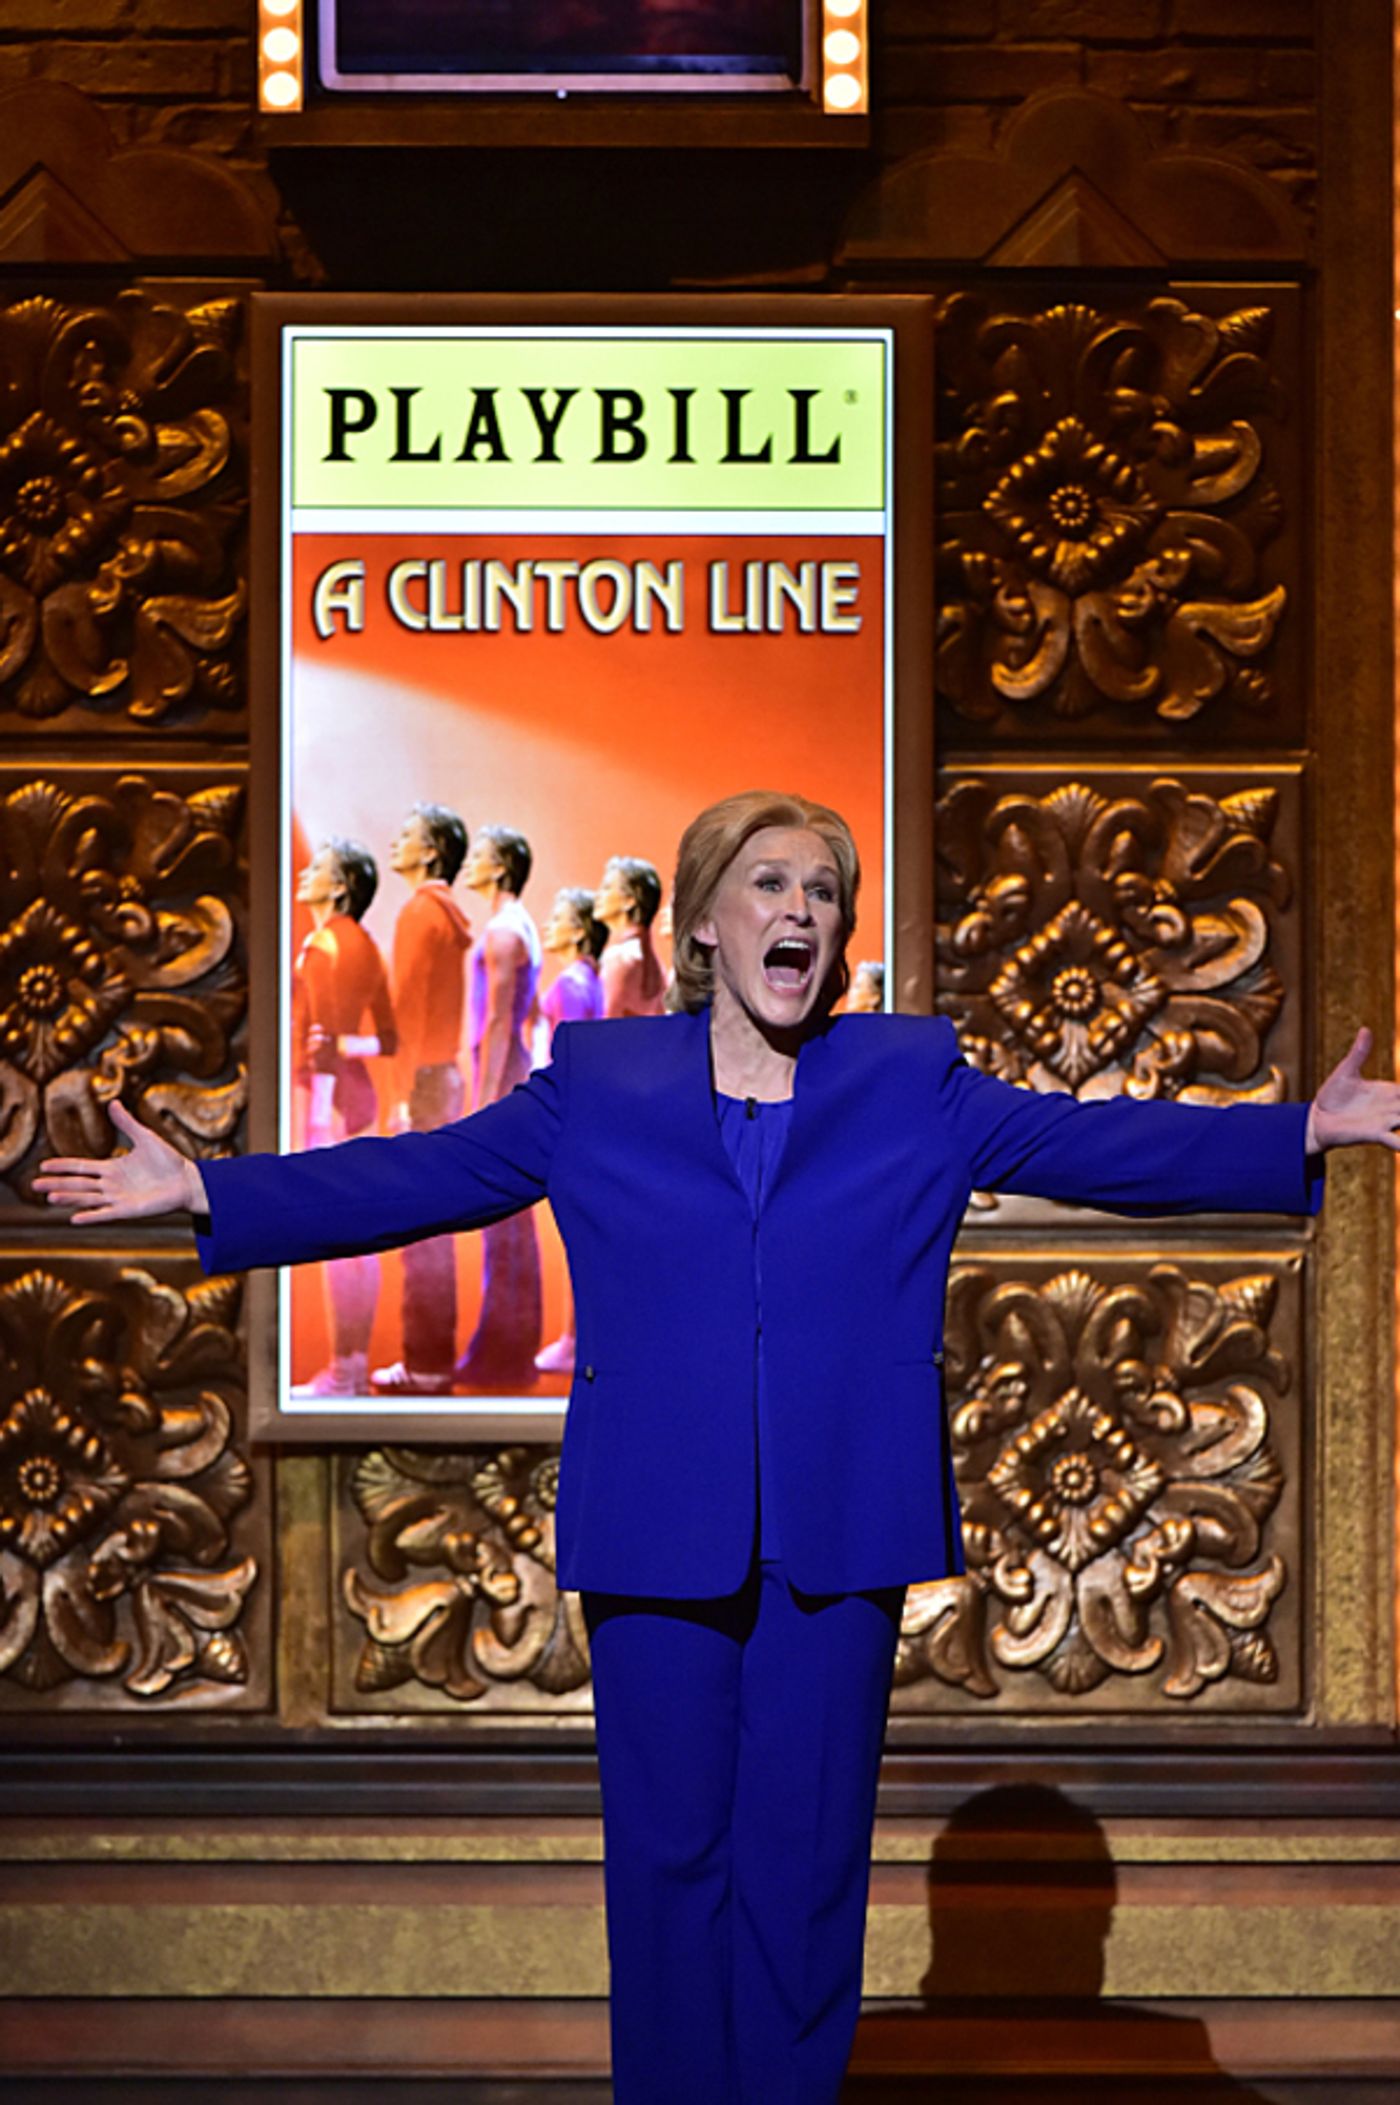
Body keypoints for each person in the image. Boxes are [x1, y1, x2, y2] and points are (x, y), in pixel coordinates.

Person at [35, 788, 1400, 2105]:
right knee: (670, 1866)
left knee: (803, 1875)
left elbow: (1090, 1141)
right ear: (701, 927)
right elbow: (419, 1173)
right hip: (658, 1523)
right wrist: (205, 1184)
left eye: (823, 890)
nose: (799, 908)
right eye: (771, 883)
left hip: (838, 1530)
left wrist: (1304, 1130)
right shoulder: (601, 1085)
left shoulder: (908, 1078)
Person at [287, 834, 396, 1399]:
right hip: (363, 1100)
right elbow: (387, 1039)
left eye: (320, 869)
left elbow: (320, 1039)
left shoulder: (320, 945)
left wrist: (319, 1112)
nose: (306, 874)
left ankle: (341, 1369)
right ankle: (352, 1366)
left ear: (343, 887)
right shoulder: (369, 946)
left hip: (332, 1102)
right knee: (362, 1237)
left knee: (337, 1237)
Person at [371, 802, 473, 1398]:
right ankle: (435, 1358)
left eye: (407, 835)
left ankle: (424, 1363)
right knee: (439, 1226)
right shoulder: (452, 916)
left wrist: (401, 1094)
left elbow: (407, 1010)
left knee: (420, 1228)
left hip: (424, 1084)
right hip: (447, 1077)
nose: (396, 843)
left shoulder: (418, 913)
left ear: (431, 851)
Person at [457, 822, 544, 1387]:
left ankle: (502, 1352)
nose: (471, 863)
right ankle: (505, 1347)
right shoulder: (520, 928)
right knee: (510, 1226)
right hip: (510, 1069)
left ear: (501, 867)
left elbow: (498, 1020)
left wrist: (486, 1100)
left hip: (501, 1075)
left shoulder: (505, 932)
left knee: (503, 1224)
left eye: (481, 856)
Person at [533, 884, 608, 1377]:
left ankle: (573, 1338)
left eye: (558, 916)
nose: (549, 923)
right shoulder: (590, 981)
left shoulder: (570, 986)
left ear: (578, 931)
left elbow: (568, 1058)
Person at [595, 853, 667, 1018]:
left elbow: (602, 1025)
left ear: (629, 901)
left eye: (607, 888)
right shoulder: (654, 964)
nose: (598, 895)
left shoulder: (619, 959)